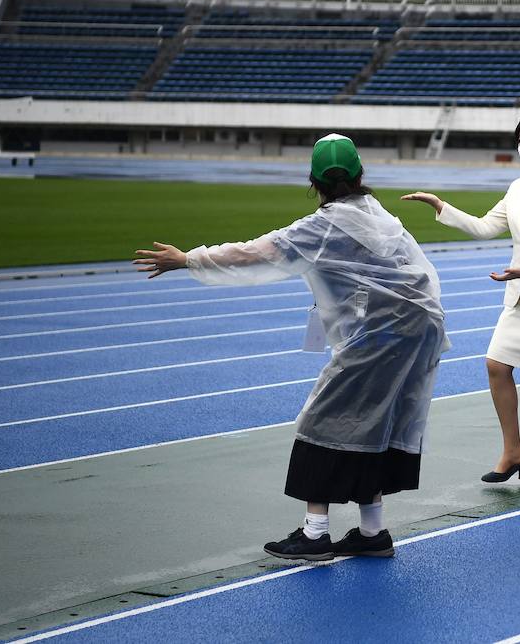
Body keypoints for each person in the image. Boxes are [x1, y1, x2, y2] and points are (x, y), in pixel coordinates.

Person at [134, 134, 449, 562]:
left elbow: (253, 253)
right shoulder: (380, 216)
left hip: (380, 334)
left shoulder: (320, 226)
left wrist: (189, 259)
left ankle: (315, 534)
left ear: (314, 181)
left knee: (319, 423)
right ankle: (372, 531)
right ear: (360, 176)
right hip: (421, 328)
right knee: (379, 424)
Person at [402, 108, 520, 488]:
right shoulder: (518, 187)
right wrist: (441, 207)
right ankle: (513, 452)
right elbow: (487, 226)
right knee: (496, 364)